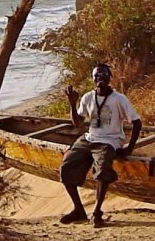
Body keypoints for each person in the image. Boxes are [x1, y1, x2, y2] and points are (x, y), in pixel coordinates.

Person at [59, 62, 142, 227]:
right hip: (90, 138)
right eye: (97, 75)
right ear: (93, 79)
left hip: (110, 140)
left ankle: (96, 212)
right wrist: (72, 103)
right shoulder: (88, 97)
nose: (100, 78)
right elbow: (77, 123)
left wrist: (129, 147)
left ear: (110, 78)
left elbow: (137, 122)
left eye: (104, 75)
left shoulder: (119, 99)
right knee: (65, 167)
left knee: (103, 170)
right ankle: (78, 209)